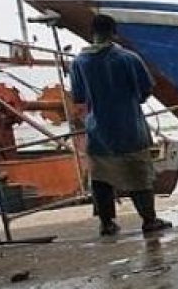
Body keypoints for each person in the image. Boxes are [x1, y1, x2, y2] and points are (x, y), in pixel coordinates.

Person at [70, 14, 172, 236]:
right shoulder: (128, 58)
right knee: (138, 175)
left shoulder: (78, 63)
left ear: (92, 32)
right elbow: (145, 90)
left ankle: (106, 224)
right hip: (129, 127)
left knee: (101, 178)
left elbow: (78, 96)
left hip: (97, 131)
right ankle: (149, 220)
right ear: (114, 32)